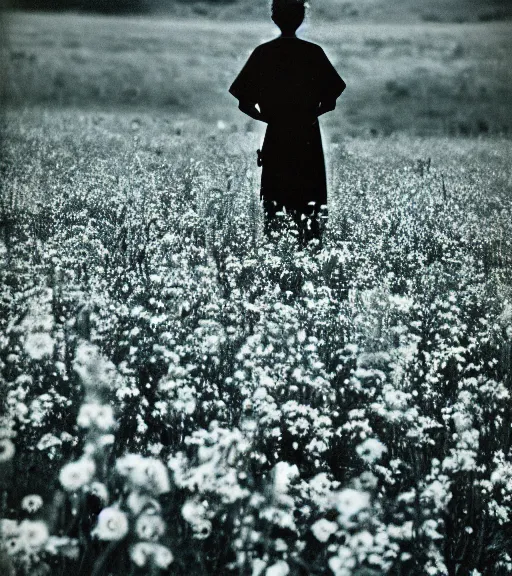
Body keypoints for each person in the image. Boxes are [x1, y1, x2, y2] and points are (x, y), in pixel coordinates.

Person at [229, 0, 346, 248]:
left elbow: (244, 103)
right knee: (309, 204)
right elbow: (332, 99)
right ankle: (311, 252)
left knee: (275, 206)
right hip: (307, 137)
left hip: (277, 137)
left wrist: (269, 118)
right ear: (302, 18)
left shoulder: (263, 53)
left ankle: (276, 253)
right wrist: (310, 114)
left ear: (274, 18)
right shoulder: (313, 53)